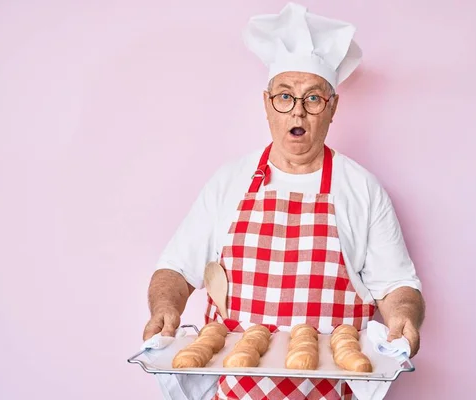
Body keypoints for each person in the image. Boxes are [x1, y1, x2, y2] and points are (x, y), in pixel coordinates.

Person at [142, 3, 425, 399]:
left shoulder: (361, 188)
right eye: (285, 96)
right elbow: (175, 268)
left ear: (332, 108)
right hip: (235, 389)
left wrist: (404, 319)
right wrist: (165, 308)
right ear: (266, 103)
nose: (298, 111)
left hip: (330, 390)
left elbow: (396, 284)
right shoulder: (229, 181)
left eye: (313, 99)